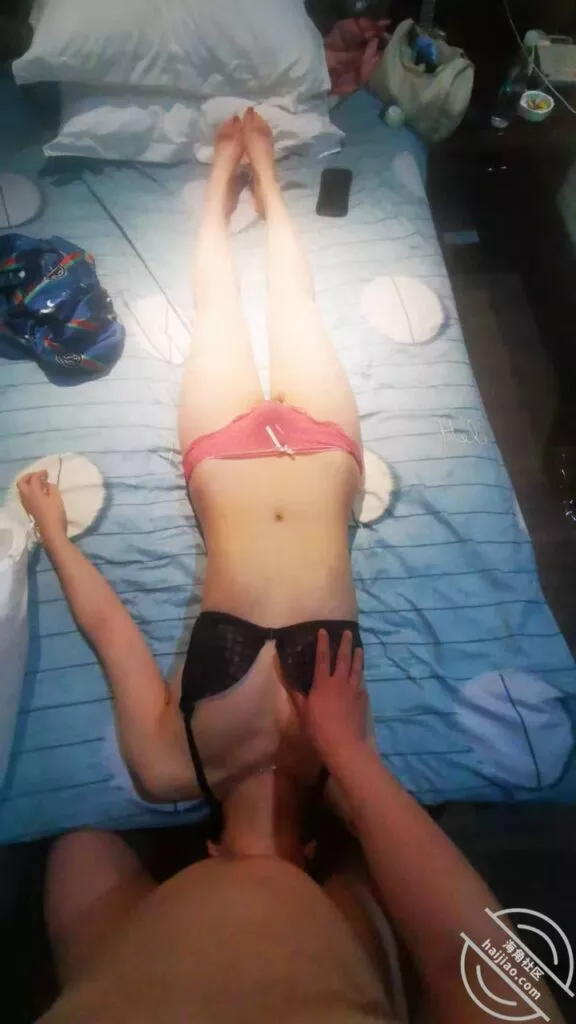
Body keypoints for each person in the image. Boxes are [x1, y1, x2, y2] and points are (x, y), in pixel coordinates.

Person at [18, 109, 366, 823]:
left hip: (224, 458)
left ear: (207, 851)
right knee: (295, 300)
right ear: (310, 853)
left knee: (216, 309)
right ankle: (264, 176)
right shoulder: (347, 778)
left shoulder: (167, 768)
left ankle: (220, 183)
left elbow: (112, 631)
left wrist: (53, 534)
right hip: (324, 454)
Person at [39, 634, 564, 1023]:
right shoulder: (356, 896)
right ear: (309, 853)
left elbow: (116, 644)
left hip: (119, 970)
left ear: (210, 849)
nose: (269, 767)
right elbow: (494, 966)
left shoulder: (162, 780)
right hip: (346, 948)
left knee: (80, 856)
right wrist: (348, 755)